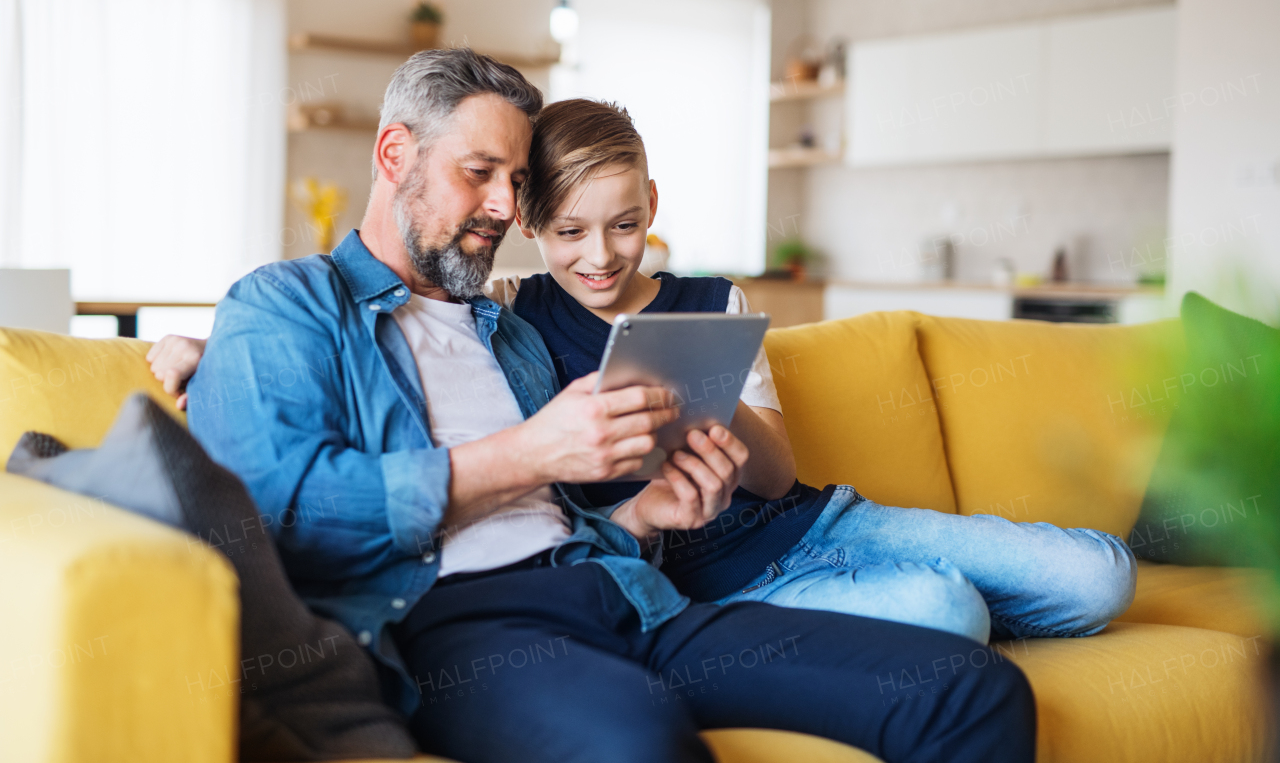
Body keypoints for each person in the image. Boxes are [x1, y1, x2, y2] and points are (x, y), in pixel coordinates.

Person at [173, 48, 1036, 763]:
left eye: (517, 181)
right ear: (395, 155)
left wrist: (644, 515)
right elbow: (281, 510)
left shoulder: (505, 328)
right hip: (461, 628)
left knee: (970, 688)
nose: (507, 208)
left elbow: (561, 517)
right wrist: (531, 454)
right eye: (481, 174)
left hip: (625, 590)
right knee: (639, 744)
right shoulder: (289, 303)